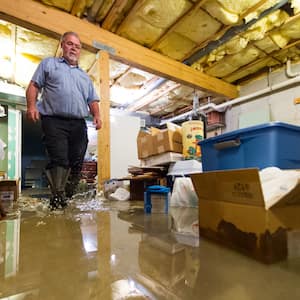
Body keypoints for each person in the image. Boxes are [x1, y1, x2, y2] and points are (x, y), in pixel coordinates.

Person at [26, 31, 101, 209]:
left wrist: (97, 115)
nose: (73, 48)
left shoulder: (85, 77)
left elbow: (93, 100)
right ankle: (57, 200)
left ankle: (68, 196)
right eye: (69, 44)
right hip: (53, 121)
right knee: (59, 159)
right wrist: (31, 106)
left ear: (80, 50)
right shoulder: (49, 64)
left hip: (78, 124)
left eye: (77, 46)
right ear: (62, 45)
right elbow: (33, 86)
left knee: (76, 161)